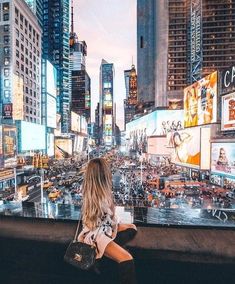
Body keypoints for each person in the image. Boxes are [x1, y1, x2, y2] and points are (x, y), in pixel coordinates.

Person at [78, 158, 137, 284]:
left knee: (132, 228)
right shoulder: (93, 195)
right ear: (102, 174)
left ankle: (106, 258)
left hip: (106, 228)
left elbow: (110, 216)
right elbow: (92, 223)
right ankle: (103, 255)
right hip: (97, 235)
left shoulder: (104, 192)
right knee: (127, 259)